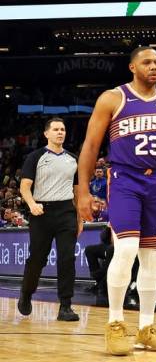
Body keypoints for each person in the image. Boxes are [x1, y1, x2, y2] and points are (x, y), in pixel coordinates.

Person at [77, 46, 156, 356]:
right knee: (127, 248)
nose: (153, 66)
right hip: (124, 179)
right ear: (132, 66)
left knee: (152, 257)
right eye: (147, 62)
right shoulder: (113, 98)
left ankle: (146, 328)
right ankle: (115, 324)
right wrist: (82, 191)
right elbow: (91, 146)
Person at [17, 117, 81, 321]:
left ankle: (65, 306)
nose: (60, 132)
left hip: (66, 212)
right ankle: (26, 294)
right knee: (37, 259)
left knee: (67, 258)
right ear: (46, 134)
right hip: (41, 213)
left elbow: (77, 191)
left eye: (63, 129)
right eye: (56, 129)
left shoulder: (72, 158)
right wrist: (32, 204)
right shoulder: (35, 157)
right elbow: (25, 186)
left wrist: (79, 218)